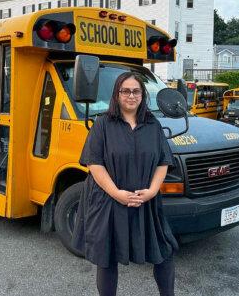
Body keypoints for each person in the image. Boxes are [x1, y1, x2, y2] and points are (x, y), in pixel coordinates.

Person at [72, 72, 179, 296]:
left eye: (136, 91)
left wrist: (151, 191)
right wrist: (117, 193)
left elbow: (163, 161)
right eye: (125, 91)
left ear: (143, 95)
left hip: (145, 201)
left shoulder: (152, 124)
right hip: (108, 200)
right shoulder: (103, 124)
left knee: (165, 250)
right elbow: (94, 164)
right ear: (117, 94)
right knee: (107, 256)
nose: (131, 95)